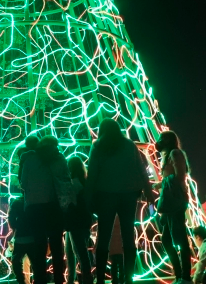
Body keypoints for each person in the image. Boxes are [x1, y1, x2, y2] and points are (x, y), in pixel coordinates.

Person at [86, 119, 154, 284]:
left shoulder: (98, 146)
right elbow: (141, 169)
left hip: (106, 195)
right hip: (128, 195)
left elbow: (92, 173)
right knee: (128, 236)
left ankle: (101, 277)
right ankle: (128, 277)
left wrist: (88, 197)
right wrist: (148, 191)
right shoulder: (129, 145)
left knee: (103, 237)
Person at [21, 135, 72, 284]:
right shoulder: (59, 159)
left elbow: (23, 183)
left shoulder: (30, 160)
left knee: (39, 247)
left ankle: (40, 279)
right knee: (57, 246)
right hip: (53, 207)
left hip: (34, 208)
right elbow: (66, 180)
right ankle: (58, 279)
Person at [154, 131, 192, 284]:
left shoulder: (175, 153)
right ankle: (179, 275)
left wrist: (161, 183)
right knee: (167, 239)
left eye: (162, 138)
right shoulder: (167, 155)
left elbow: (179, 176)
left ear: (168, 140)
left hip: (175, 199)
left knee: (180, 238)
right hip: (169, 200)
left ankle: (185, 277)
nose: (159, 141)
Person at [65, 157, 92, 284]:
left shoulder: (73, 183)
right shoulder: (85, 182)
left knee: (78, 254)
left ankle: (85, 280)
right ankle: (75, 280)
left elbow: (70, 203)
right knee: (75, 253)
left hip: (74, 222)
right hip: (84, 221)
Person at [8, 190, 33, 284]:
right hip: (32, 237)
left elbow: (11, 217)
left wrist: (15, 229)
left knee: (16, 262)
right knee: (36, 264)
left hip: (20, 237)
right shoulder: (34, 201)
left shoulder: (17, 202)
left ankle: (21, 281)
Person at [108, 217, 123, 284]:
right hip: (121, 247)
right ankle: (122, 280)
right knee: (121, 265)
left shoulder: (110, 217)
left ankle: (114, 280)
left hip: (112, 246)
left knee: (113, 266)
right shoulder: (121, 217)